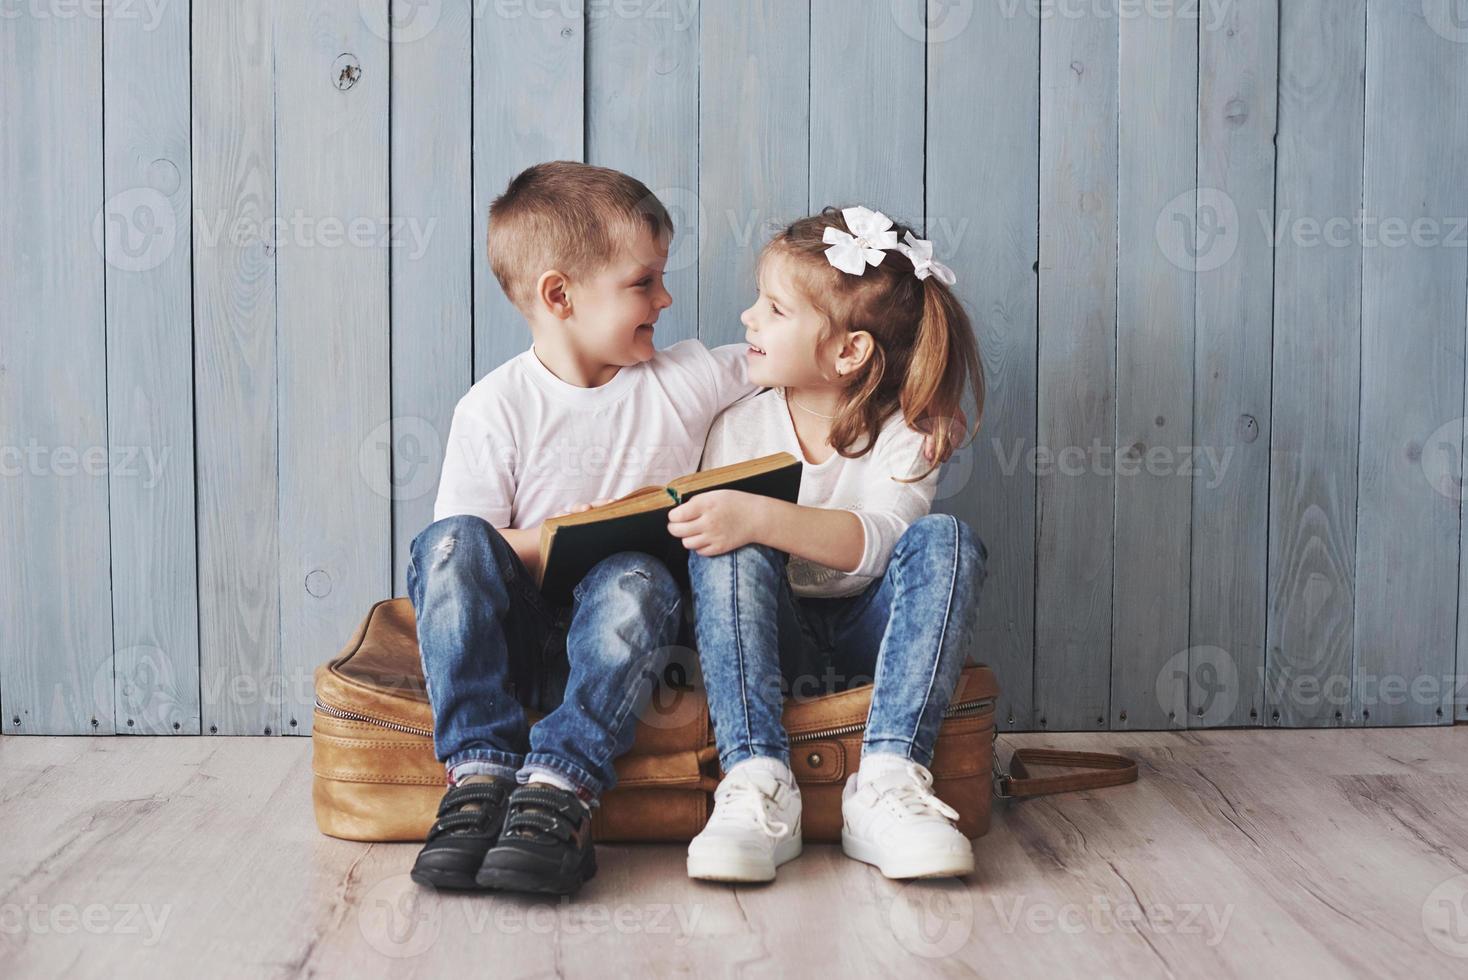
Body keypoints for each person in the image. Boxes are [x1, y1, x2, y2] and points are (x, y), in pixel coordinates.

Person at [407, 161, 758, 896]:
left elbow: (790, 360)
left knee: (633, 575)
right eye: (643, 282)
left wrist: (910, 390)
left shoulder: (679, 378)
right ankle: (479, 770)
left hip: (626, 650)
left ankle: (559, 788)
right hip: (522, 645)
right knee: (448, 539)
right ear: (559, 295)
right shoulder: (494, 408)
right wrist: (579, 529)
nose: (665, 298)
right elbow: (462, 560)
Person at [671, 205, 990, 882]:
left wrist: (757, 516)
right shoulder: (735, 423)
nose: (748, 318)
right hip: (772, 643)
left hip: (871, 639)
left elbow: (880, 542)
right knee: (725, 544)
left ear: (850, 351)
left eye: (775, 309)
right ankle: (756, 781)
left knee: (947, 539)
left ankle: (887, 782)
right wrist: (738, 526)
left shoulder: (909, 429)